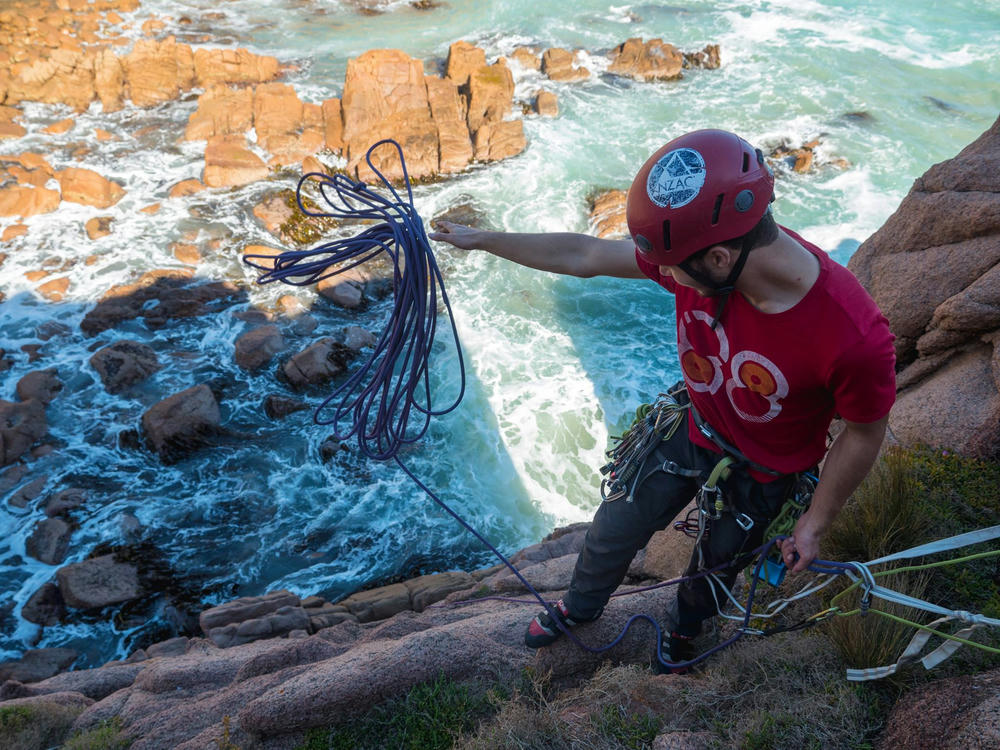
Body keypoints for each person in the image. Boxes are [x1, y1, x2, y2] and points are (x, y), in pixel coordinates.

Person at [428, 129, 896, 672]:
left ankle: (685, 633)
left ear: (719, 258)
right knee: (614, 527)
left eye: (672, 269)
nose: (663, 277)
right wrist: (485, 240)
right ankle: (579, 608)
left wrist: (813, 524)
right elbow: (586, 253)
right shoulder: (709, 258)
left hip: (767, 470)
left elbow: (864, 432)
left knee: (714, 569)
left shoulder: (852, 336)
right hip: (694, 425)